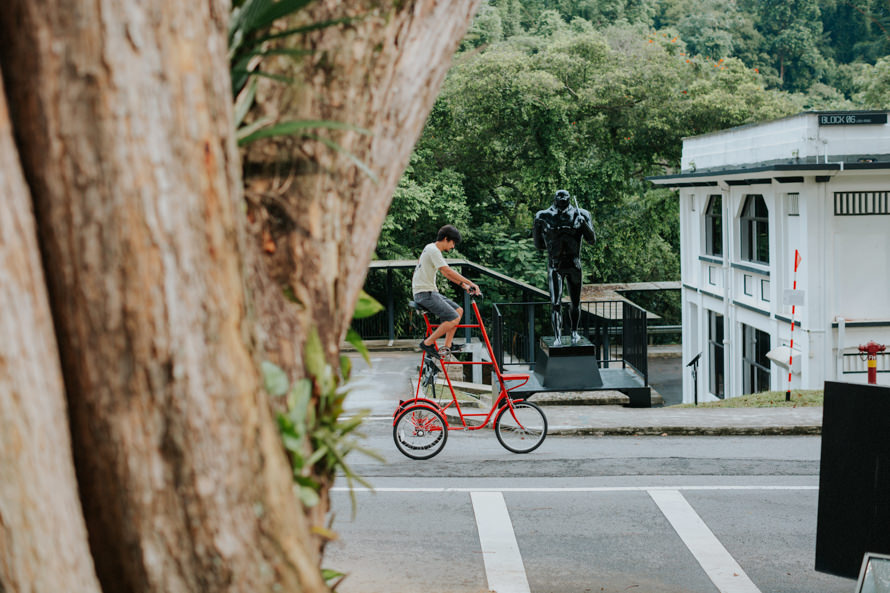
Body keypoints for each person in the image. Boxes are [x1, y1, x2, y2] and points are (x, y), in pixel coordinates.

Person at [532, 189, 596, 344]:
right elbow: (538, 244)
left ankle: (574, 332)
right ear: (554, 200)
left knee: (575, 302)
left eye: (565, 201)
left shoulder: (582, 214)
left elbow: (592, 240)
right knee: (555, 303)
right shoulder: (542, 216)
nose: (562, 203)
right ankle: (557, 337)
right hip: (555, 265)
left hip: (574, 264)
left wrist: (584, 226)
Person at [413, 225, 480, 359]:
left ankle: (447, 346)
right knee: (454, 318)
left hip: (429, 292)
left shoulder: (430, 247)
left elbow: (446, 273)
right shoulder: (434, 250)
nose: (453, 246)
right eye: (453, 243)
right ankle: (427, 343)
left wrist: (464, 285)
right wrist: (471, 283)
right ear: (445, 239)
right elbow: (447, 271)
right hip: (424, 293)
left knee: (458, 311)